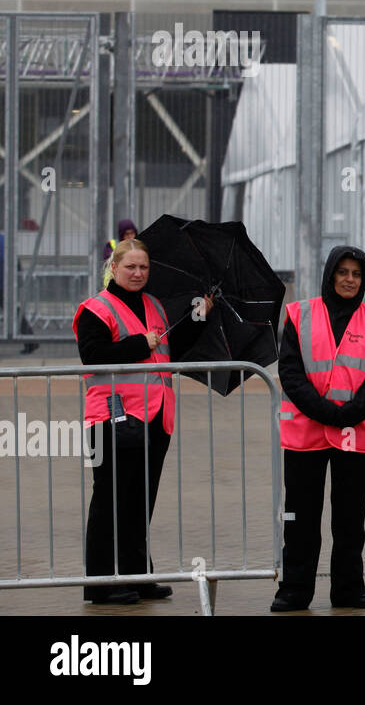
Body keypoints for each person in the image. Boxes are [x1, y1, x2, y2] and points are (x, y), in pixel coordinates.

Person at [74, 238, 211, 604]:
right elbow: (93, 356)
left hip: (155, 416)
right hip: (112, 416)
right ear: (114, 268)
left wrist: (199, 315)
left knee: (140, 500)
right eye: (131, 267)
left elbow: (170, 348)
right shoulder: (95, 309)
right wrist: (139, 344)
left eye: (144, 267)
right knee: (110, 500)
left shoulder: (154, 305)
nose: (138, 273)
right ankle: (102, 584)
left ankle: (138, 574)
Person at [272, 245, 365, 612]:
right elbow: (289, 371)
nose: (349, 280)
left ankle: (348, 589)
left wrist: (351, 412)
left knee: (350, 520)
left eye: (356, 274)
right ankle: (294, 590)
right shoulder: (299, 314)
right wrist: (325, 411)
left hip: (354, 434)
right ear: (329, 275)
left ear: (364, 280)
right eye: (343, 272)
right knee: (300, 519)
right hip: (305, 434)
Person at [102, 219, 137, 287]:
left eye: (132, 233)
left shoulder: (139, 248)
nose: (130, 236)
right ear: (121, 235)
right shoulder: (112, 245)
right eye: (127, 234)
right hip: (113, 284)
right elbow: (109, 259)